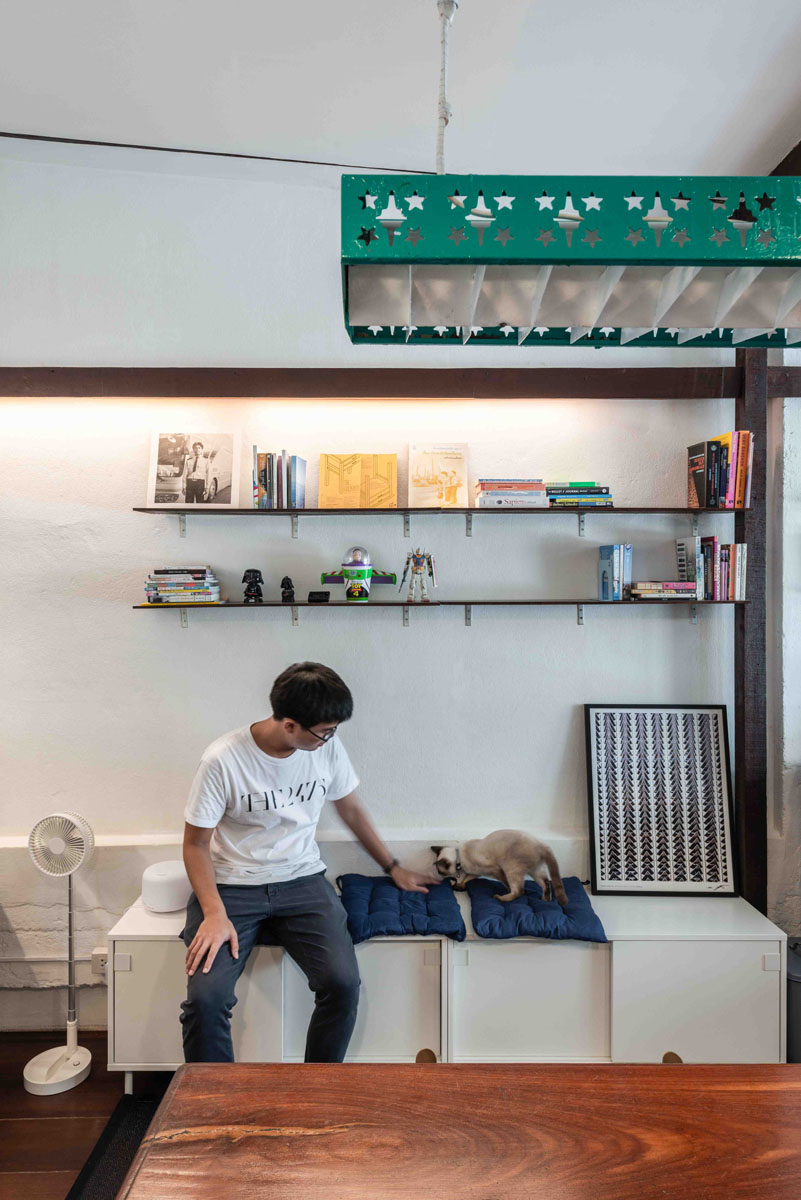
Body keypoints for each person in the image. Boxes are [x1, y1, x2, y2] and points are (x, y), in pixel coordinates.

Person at [180, 661, 436, 1063]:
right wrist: (213, 913)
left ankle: (318, 1085)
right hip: (232, 886)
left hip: (302, 880)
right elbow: (195, 844)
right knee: (206, 1001)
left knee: (343, 984)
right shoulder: (223, 760)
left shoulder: (326, 748)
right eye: (324, 731)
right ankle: (211, 1093)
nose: (330, 738)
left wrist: (393, 867)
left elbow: (350, 809)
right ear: (289, 725)